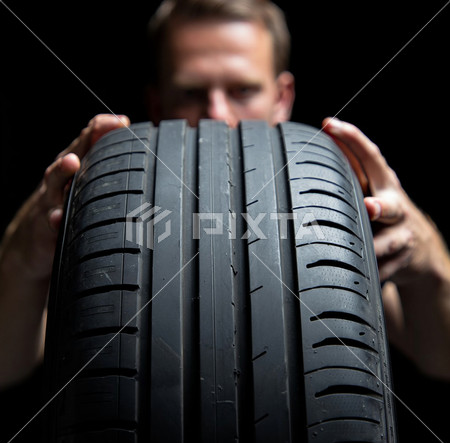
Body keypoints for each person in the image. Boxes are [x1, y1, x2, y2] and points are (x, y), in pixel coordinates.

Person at [1, 0, 449, 393]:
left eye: (242, 90)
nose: (216, 113)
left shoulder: (323, 207)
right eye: (192, 93)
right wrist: (23, 256)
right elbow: (8, 366)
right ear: (156, 105)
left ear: (282, 97)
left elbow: (441, 359)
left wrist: (428, 261)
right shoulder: (118, 214)